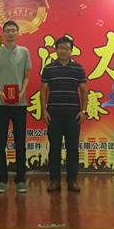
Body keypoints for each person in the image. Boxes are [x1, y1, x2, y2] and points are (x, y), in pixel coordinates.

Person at [0, 20, 31, 193]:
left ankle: (20, 179)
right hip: (1, 103)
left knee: (20, 142)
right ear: (3, 33)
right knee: (0, 143)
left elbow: (26, 76)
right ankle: (2, 180)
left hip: (20, 103)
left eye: (13, 30)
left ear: (18, 32)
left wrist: (22, 92)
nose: (11, 33)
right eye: (8, 30)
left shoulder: (24, 52)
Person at [40, 36, 88, 193]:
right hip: (53, 115)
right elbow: (43, 91)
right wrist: (44, 111)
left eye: (66, 48)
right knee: (54, 149)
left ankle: (72, 180)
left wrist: (84, 111)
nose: (63, 51)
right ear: (56, 50)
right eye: (60, 48)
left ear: (71, 50)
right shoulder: (48, 68)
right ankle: (54, 181)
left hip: (73, 116)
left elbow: (84, 90)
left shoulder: (78, 69)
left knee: (72, 149)